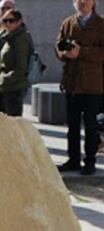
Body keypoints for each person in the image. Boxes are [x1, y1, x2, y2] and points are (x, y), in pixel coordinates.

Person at [55, 0, 104, 176]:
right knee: (73, 125)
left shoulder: (101, 24)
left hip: (93, 84)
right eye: (78, 0)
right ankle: (73, 160)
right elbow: (58, 46)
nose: (82, 3)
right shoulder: (68, 23)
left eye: (86, 0)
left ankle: (89, 161)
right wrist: (65, 53)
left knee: (91, 126)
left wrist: (81, 52)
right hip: (72, 83)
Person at [0, 10, 32, 117]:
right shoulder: (10, 37)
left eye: (11, 21)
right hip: (10, 86)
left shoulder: (20, 39)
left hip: (15, 87)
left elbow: (21, 68)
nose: (7, 23)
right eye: (5, 21)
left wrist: (3, 79)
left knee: (14, 122)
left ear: (18, 22)